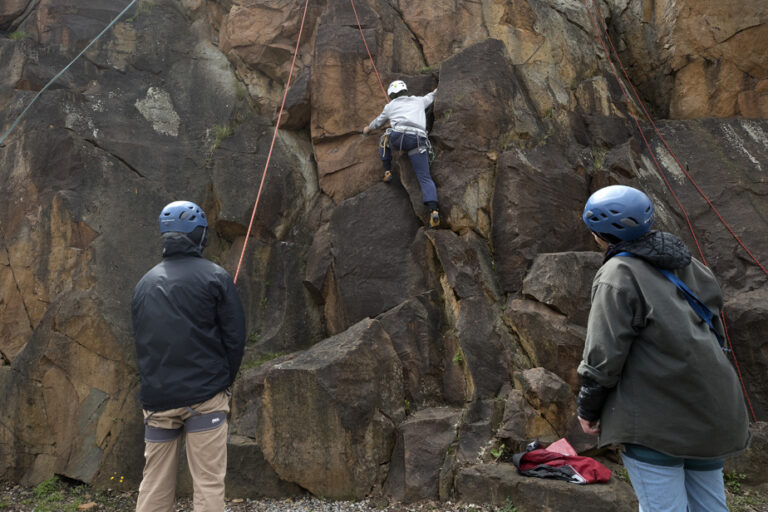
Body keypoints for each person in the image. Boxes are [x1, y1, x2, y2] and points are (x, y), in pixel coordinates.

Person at [576, 185, 750, 512]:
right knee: (710, 506)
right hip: (711, 408)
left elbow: (604, 353)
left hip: (657, 421)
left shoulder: (617, 274)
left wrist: (588, 407)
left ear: (600, 233)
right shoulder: (687, 263)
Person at [132, 200, 246, 512]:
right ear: (199, 236)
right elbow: (235, 339)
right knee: (208, 484)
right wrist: (222, 383)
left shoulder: (143, 285)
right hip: (205, 396)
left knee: (154, 486)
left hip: (158, 399)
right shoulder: (216, 277)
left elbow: (142, 342)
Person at [363, 80, 440, 228]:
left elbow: (378, 122)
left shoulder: (390, 106)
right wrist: (438, 88)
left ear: (391, 94)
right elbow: (432, 95)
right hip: (418, 140)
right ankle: (433, 210)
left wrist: (367, 129)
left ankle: (387, 171)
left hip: (400, 137)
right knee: (424, 177)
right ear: (405, 90)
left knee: (384, 138)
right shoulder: (419, 101)